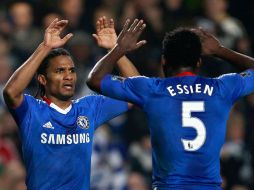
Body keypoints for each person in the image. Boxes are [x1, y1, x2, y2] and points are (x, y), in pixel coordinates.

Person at [86, 18, 254, 190]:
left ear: (164, 61)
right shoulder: (222, 89)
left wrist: (118, 49)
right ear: (199, 62)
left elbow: (95, 79)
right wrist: (220, 51)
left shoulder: (153, 91)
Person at [3, 17, 140, 190]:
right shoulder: (32, 110)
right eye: (60, 71)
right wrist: (45, 47)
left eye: (72, 70)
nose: (68, 76)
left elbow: (135, 92)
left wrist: (116, 50)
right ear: (43, 79)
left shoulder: (89, 107)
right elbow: (11, 91)